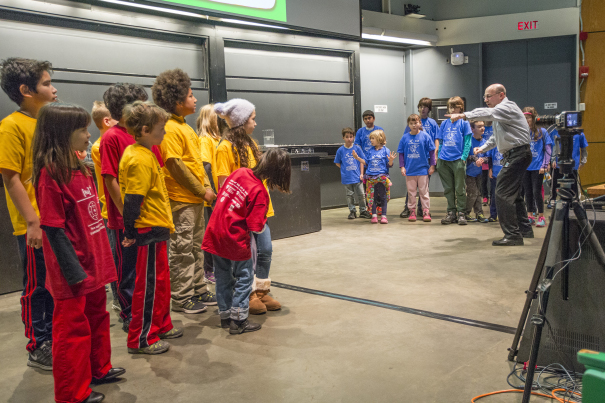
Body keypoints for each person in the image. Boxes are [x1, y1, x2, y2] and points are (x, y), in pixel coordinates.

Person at [32, 103, 124, 403]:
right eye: (82, 130)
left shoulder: (80, 167)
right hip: (74, 271)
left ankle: (99, 368)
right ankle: (72, 393)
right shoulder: (50, 175)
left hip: (94, 261)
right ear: (61, 134)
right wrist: (73, 272)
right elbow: (54, 229)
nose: (89, 135)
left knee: (97, 318)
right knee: (72, 331)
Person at [0, 57, 56, 370]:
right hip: (34, 226)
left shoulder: (45, 123)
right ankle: (39, 344)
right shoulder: (11, 127)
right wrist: (32, 221)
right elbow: (11, 178)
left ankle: (55, 336)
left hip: (57, 221)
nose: (53, 88)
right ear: (26, 90)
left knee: (56, 285)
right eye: (46, 83)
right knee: (37, 286)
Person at [202, 148, 291, 334]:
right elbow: (255, 226)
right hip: (234, 238)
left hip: (215, 231)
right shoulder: (260, 191)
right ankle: (239, 320)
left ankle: (225, 317)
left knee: (222, 277)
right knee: (244, 277)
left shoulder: (240, 172)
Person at [120, 101, 183, 355]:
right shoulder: (138, 159)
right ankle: (141, 338)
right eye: (161, 128)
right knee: (147, 287)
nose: (164, 133)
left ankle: (160, 324)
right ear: (145, 129)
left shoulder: (146, 154)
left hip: (157, 229)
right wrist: (130, 232)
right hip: (146, 232)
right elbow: (133, 201)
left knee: (160, 283)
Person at [152, 69, 217, 315]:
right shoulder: (169, 127)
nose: (195, 100)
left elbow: (197, 164)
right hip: (181, 202)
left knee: (196, 248)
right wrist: (202, 191)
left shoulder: (186, 127)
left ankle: (198, 288)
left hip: (196, 200)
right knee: (182, 250)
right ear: (178, 101)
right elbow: (175, 166)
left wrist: (207, 188)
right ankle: (181, 297)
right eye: (190, 96)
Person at [99, 83, 163, 332]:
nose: (147, 107)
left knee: (146, 269)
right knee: (127, 269)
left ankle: (147, 309)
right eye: (142, 103)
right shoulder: (112, 137)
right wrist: (128, 217)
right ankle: (129, 313)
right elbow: (110, 178)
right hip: (128, 219)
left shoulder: (143, 136)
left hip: (150, 217)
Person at [214, 98, 280, 315]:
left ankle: (262, 291)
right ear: (242, 122)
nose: (256, 123)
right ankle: (248, 294)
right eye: (252, 119)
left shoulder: (251, 144)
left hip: (260, 211)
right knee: (246, 258)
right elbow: (224, 185)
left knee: (265, 251)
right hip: (241, 216)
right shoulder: (225, 148)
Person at [449, 84, 533, 246]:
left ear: (501, 95)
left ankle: (513, 235)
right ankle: (525, 229)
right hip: (518, 154)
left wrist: (464, 115)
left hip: (518, 154)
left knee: (501, 193)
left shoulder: (506, 107)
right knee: (513, 195)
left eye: (489, 96)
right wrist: (482, 148)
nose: (486, 99)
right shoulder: (501, 115)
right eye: (485, 97)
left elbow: (488, 113)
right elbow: (496, 137)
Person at [90, 100, 120, 312]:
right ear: (107, 121)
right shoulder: (100, 146)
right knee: (116, 257)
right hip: (110, 210)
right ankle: (118, 298)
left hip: (119, 207)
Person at [436, 96, 472, 225]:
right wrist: (439, 157)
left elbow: (468, 142)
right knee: (448, 189)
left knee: (460, 188)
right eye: (450, 106)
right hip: (444, 160)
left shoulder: (464, 123)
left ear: (460, 107)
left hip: (458, 160)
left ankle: (462, 213)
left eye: (454, 106)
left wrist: (463, 158)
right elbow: (441, 142)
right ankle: (451, 212)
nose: (451, 109)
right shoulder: (444, 123)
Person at [400, 98, 438, 218]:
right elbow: (403, 149)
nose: (422, 109)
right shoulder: (407, 134)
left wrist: (434, 159)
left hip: (424, 161)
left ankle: (424, 210)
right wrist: (402, 166)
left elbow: (436, 140)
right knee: (411, 189)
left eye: (425, 106)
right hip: (411, 164)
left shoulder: (432, 123)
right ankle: (410, 209)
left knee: (424, 189)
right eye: (421, 106)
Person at [196, 104, 221, 285]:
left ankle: (217, 267)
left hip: (222, 194)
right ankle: (209, 269)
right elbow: (206, 166)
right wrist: (213, 193)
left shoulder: (218, 139)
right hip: (214, 196)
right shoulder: (205, 140)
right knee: (212, 234)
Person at [522, 107, 552, 228]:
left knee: (536, 191)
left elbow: (548, 148)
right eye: (524, 118)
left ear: (533, 118)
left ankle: (541, 216)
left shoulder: (542, 131)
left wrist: (545, 164)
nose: (526, 120)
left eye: (528, 117)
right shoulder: (523, 132)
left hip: (537, 167)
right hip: (525, 167)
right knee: (527, 192)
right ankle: (530, 216)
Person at [334, 127, 370, 219]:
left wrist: (361, 174)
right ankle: (352, 211)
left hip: (357, 176)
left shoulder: (357, 148)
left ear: (353, 137)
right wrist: (344, 169)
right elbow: (337, 162)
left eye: (351, 137)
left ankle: (363, 211)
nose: (349, 139)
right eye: (347, 137)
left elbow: (362, 161)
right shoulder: (340, 150)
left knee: (361, 194)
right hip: (347, 177)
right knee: (349, 195)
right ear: (343, 138)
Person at [548, 129, 588, 207]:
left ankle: (574, 201)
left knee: (573, 184)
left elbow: (583, 148)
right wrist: (552, 159)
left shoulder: (579, 133)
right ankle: (552, 199)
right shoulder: (556, 131)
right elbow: (552, 146)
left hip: (573, 163)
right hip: (558, 163)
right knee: (555, 183)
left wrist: (583, 161)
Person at [364, 130, 396, 224]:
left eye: (373, 138)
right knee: (372, 196)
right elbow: (366, 163)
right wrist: (358, 158)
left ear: (380, 139)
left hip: (382, 177)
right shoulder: (370, 151)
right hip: (370, 177)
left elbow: (389, 165)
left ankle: (383, 215)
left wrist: (390, 161)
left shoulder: (386, 150)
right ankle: (374, 215)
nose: (371, 141)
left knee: (382, 196)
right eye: (370, 139)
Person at [465, 121, 489, 223]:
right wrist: (475, 159)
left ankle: (479, 213)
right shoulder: (469, 141)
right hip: (469, 172)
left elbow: (488, 156)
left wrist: (483, 160)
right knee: (472, 193)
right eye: (479, 127)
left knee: (479, 193)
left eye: (483, 126)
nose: (482, 128)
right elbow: (466, 155)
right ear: (472, 129)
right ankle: (466, 213)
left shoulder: (485, 142)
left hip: (479, 172)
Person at [486, 147, 504, 222]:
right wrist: (490, 169)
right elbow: (489, 158)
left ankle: (504, 216)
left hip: (504, 174)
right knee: (494, 195)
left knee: (504, 196)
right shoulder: (493, 145)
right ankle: (493, 215)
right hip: (495, 174)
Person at [481, 121, 494, 205]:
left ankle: (492, 197)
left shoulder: (494, 127)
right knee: (483, 180)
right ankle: (485, 197)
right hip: (483, 156)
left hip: (492, 156)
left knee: (492, 179)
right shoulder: (483, 128)